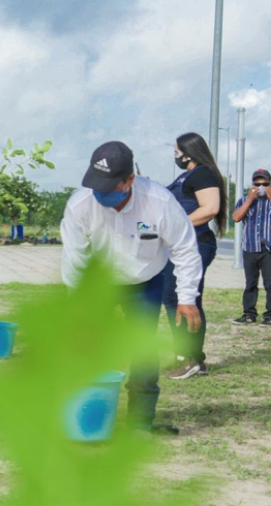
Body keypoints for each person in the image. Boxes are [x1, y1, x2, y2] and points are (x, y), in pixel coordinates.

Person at [61, 140, 203, 434]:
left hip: (145, 282)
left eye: (108, 187)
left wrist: (187, 297)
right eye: (96, 185)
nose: (100, 193)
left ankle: (140, 423)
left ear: (129, 180)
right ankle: (89, 415)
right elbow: (75, 259)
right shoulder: (80, 204)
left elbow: (185, 249)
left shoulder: (159, 202)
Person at [163, 133, 226, 380]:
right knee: (173, 299)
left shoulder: (202, 173)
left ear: (188, 152)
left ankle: (192, 359)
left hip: (195, 244)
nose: (175, 155)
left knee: (185, 300)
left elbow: (210, 209)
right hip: (179, 245)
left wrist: (177, 227)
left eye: (176, 150)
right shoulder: (187, 175)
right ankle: (184, 356)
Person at [231, 168, 271, 326]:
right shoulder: (244, 200)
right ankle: (249, 314)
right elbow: (236, 217)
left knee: (270, 283)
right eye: (257, 183)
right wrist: (249, 199)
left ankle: (269, 316)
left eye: (265, 184)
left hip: (268, 248)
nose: (261, 186)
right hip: (250, 247)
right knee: (250, 283)